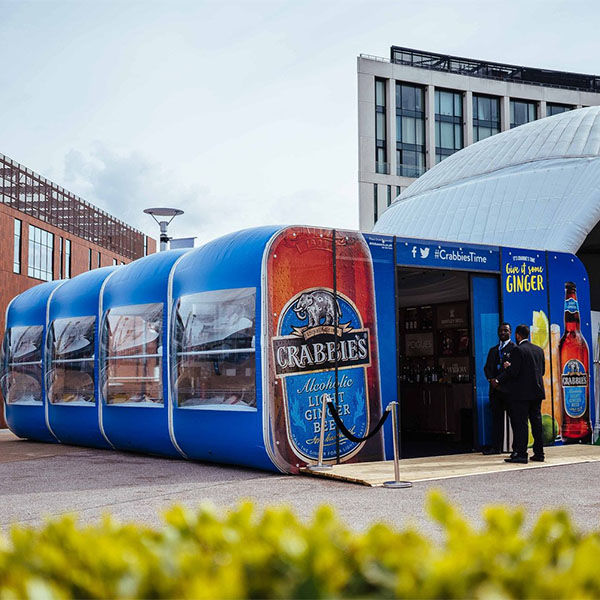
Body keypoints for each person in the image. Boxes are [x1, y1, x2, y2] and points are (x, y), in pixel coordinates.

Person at [493, 324, 545, 464]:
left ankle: (521, 454)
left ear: (517, 335)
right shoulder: (539, 350)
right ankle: (539, 453)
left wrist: (500, 376)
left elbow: (514, 372)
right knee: (536, 423)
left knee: (521, 424)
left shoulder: (518, 350)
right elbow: (542, 372)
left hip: (522, 394)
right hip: (537, 392)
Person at [482, 323, 515, 455]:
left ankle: (516, 448)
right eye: (500, 331)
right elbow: (487, 368)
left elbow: (513, 370)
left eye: (505, 330)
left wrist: (499, 380)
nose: (502, 333)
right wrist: (491, 380)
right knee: (496, 420)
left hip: (508, 390)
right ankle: (496, 447)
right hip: (495, 391)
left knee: (514, 420)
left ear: (510, 332)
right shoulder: (493, 350)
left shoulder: (514, 349)